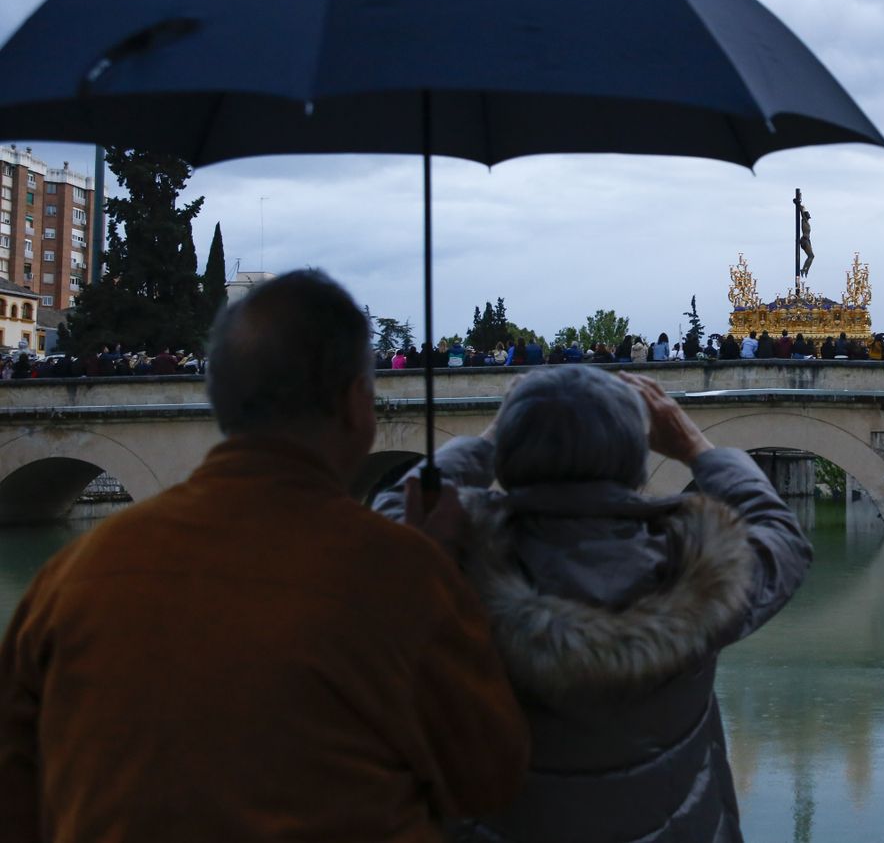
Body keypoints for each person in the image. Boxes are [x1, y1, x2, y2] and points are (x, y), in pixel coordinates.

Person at [0, 270, 528, 840]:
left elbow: (15, 793)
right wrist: (444, 568)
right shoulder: (402, 572)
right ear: (357, 404)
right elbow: (489, 777)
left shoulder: (69, 577)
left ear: (218, 398)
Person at [376, 367, 811, 841]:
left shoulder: (445, 571)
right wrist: (695, 447)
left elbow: (391, 512)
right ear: (637, 462)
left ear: (508, 457)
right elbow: (780, 533)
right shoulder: (701, 574)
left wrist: (490, 438)